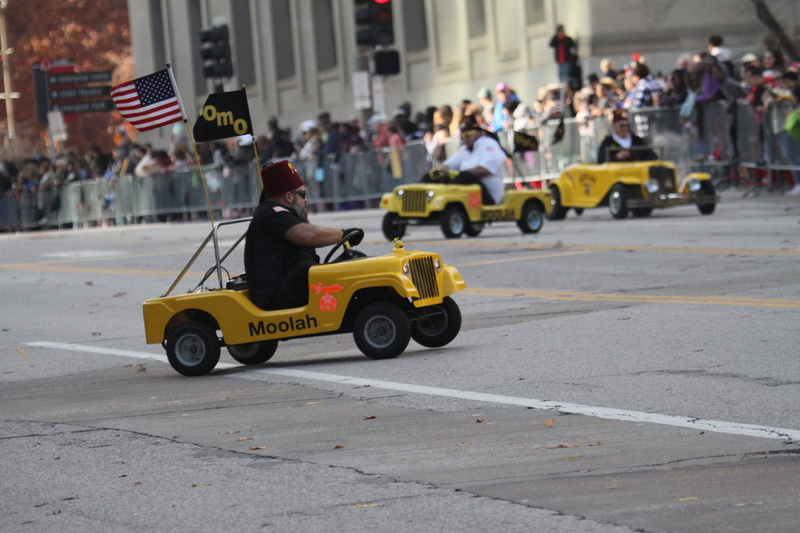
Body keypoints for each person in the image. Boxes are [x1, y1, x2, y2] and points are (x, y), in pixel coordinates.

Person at [244, 160, 362, 311]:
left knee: (351, 260)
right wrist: (344, 234)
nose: (306, 200)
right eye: (302, 194)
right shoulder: (270, 213)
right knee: (309, 269)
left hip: (288, 288)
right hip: (274, 297)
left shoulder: (281, 214)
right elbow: (308, 236)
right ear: (288, 197)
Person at [422, 114, 506, 205]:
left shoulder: (489, 145)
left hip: (488, 195)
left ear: (477, 132)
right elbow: (448, 164)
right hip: (470, 192)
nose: (464, 140)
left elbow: (485, 170)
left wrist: (458, 174)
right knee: (429, 177)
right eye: (462, 137)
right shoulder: (465, 149)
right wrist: (439, 172)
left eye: (467, 135)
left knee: (464, 177)